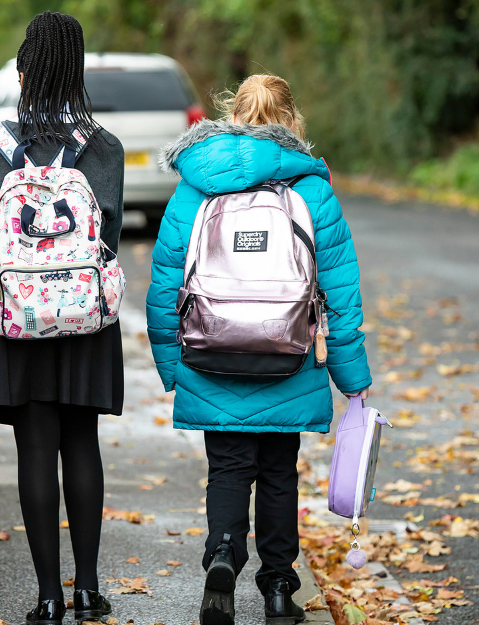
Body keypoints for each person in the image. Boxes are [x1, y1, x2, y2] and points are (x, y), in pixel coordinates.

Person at [146, 74, 373, 625]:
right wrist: (351, 376)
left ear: (232, 115)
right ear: (291, 121)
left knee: (227, 468)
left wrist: (171, 365)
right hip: (288, 353)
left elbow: (163, 284)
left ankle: (223, 555)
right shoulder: (311, 188)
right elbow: (341, 291)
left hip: (209, 350)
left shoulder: (194, 184)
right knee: (278, 471)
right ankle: (277, 588)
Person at [0, 11, 125, 625]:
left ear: (23, 73)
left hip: (19, 319)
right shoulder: (103, 147)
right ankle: (89, 591)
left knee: (36, 447)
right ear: (76, 74)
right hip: (85, 319)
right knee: (83, 442)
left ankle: (49, 596)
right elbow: (107, 236)